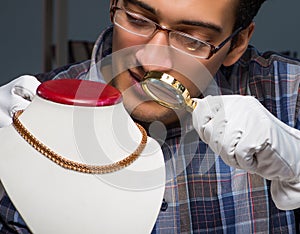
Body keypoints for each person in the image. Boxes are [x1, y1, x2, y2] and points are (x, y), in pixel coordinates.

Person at [1, 0, 300, 233]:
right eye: (138, 20)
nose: (150, 60)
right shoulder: (24, 115)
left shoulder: (290, 93)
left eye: (193, 39)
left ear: (236, 44)